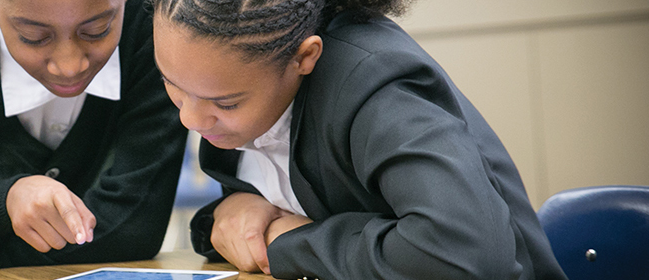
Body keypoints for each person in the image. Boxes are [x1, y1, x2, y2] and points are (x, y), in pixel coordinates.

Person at [150, 0, 568, 279]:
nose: (189, 117)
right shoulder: (231, 84)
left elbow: (465, 253)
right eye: (173, 86)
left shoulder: (377, 86)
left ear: (304, 57)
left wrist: (288, 244)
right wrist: (231, 211)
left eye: (225, 102)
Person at [0, 0, 188, 271]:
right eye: (34, 36)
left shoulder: (158, 28)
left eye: (97, 30)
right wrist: (4, 203)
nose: (69, 66)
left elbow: (134, 230)